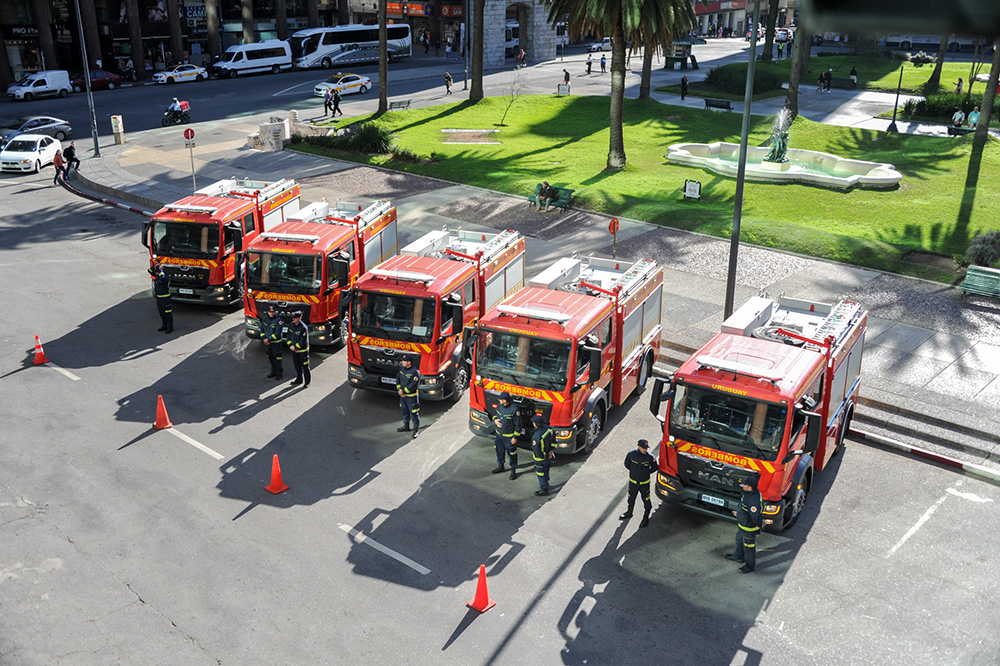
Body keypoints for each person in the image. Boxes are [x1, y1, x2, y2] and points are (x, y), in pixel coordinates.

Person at [726, 476, 763, 574]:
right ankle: (738, 556)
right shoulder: (748, 494)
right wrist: (739, 513)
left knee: (749, 547)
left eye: (744, 484)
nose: (742, 485)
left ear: (750, 487)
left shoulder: (753, 501)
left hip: (748, 529)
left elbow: (755, 517)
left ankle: (750, 566)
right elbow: (744, 508)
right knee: (739, 539)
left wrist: (758, 526)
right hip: (743, 525)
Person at [619, 439, 657, 527]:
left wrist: (647, 473)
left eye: (646, 448)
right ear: (639, 447)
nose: (645, 450)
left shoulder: (650, 457)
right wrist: (634, 472)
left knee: (646, 501)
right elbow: (627, 464)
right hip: (633, 483)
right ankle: (629, 512)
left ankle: (646, 517)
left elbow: (655, 467)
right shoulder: (631, 455)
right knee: (631, 498)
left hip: (644, 484)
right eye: (643, 448)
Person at [491, 391, 521, 479]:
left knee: (512, 454)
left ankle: (513, 470)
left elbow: (518, 426)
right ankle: (501, 466)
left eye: (501, 399)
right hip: (499, 435)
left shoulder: (514, 410)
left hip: (509, 438)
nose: (499, 400)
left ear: (505, 400)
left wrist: (515, 437)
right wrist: (495, 420)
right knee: (499, 451)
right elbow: (494, 415)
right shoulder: (499, 406)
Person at [396, 355, 421, 438]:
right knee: (404, 411)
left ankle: (416, 429)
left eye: (404, 361)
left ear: (409, 362)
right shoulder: (402, 369)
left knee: (414, 413)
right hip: (403, 397)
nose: (402, 362)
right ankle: (406, 426)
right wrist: (399, 389)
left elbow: (413, 385)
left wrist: (404, 392)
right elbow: (398, 378)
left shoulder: (415, 372)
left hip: (411, 397)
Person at [530, 414, 555, 496]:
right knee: (546, 470)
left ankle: (544, 489)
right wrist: (551, 451)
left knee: (541, 473)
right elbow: (554, 441)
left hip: (541, 459)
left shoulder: (536, 437)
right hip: (549, 456)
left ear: (535, 424)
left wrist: (544, 456)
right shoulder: (549, 429)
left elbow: (537, 450)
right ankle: (546, 482)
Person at [286, 311, 310, 388]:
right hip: (294, 351)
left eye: (295, 318)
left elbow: (303, 341)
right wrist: (290, 345)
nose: (294, 319)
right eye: (293, 318)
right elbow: (288, 336)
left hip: (303, 351)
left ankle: (307, 382)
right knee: (297, 366)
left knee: (305, 367)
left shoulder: (303, 328)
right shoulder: (291, 325)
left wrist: (295, 347)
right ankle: (299, 379)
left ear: (300, 318)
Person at [260, 305, 284, 381]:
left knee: (277, 358)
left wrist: (268, 340)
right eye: (270, 312)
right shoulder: (265, 319)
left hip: (276, 344)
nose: (272, 313)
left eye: (273, 312)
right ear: (267, 312)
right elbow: (262, 330)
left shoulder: (279, 321)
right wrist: (264, 338)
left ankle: (279, 373)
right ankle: (273, 371)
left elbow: (277, 333)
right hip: (268, 343)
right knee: (270, 358)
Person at [148, 263, 173, 333]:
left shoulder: (166, 276)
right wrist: (154, 267)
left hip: (165, 299)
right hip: (158, 298)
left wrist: (160, 270)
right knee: (161, 313)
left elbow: (163, 278)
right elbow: (149, 270)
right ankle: (164, 325)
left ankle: (170, 328)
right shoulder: (158, 275)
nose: (155, 273)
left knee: (168, 314)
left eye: (157, 271)